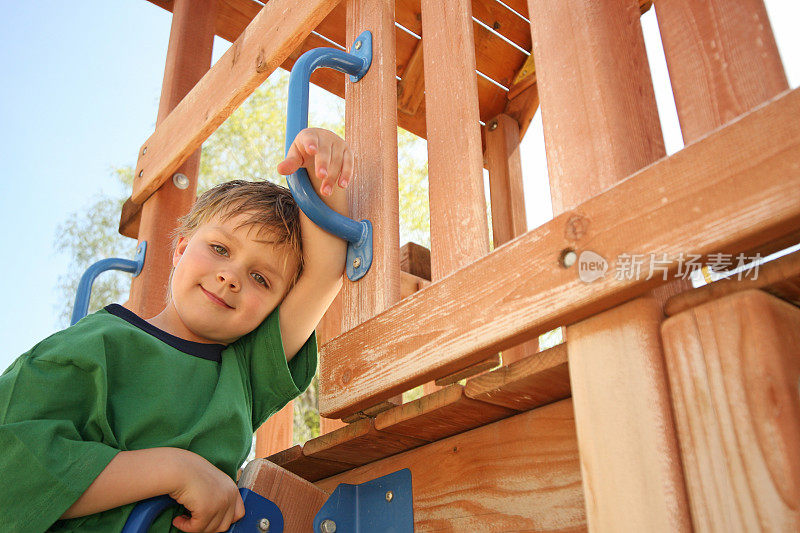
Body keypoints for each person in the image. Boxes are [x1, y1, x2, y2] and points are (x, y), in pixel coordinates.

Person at [0, 128, 354, 533]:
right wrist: (174, 469)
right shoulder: (94, 345)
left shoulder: (246, 372)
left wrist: (320, 171)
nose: (231, 277)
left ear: (275, 307)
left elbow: (325, 271)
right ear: (181, 248)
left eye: (261, 278)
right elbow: (12, 463)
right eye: (220, 249)